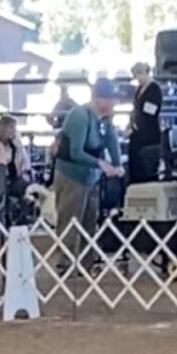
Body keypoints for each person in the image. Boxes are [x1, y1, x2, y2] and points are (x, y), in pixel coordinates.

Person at [53, 77, 124, 263]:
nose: (115, 103)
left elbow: (111, 140)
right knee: (70, 221)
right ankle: (66, 264)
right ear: (99, 99)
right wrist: (101, 164)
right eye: (112, 99)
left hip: (91, 177)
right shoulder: (79, 115)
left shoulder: (105, 119)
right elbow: (76, 152)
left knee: (89, 222)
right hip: (71, 176)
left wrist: (118, 165)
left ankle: (86, 263)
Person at [127, 61, 164, 184]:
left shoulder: (154, 89)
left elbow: (151, 111)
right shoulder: (139, 90)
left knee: (147, 167)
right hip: (137, 133)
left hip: (150, 134)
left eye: (138, 74)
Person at [0, 114, 31, 196]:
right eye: (11, 127)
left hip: (16, 178)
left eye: (14, 128)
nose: (13, 131)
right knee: (24, 189)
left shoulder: (15, 143)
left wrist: (19, 147)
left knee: (31, 188)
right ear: (3, 128)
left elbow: (26, 164)